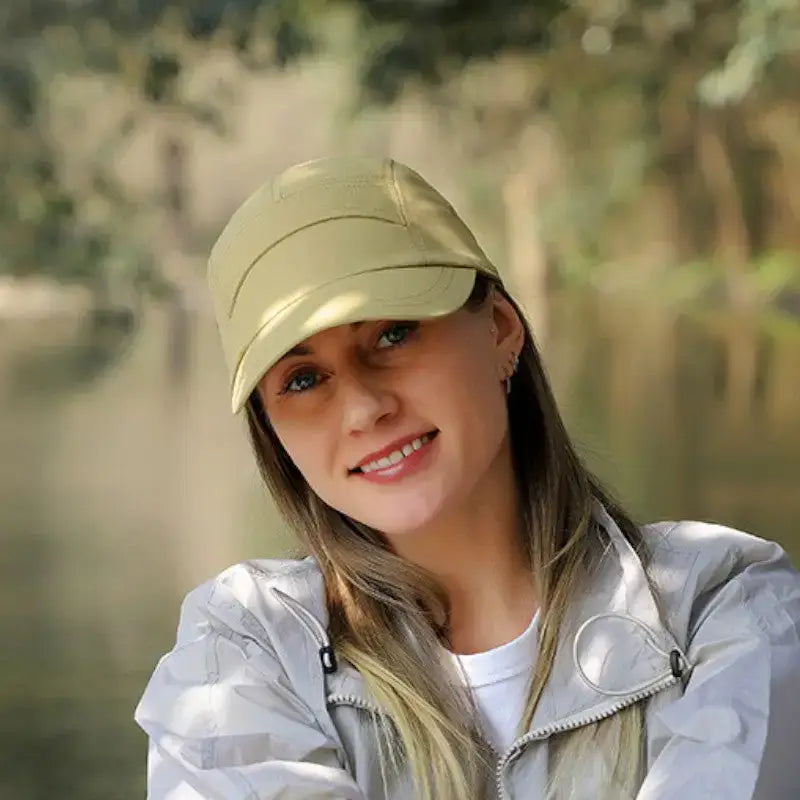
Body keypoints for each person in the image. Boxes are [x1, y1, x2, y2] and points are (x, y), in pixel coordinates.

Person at [134, 156, 800, 799]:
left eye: (393, 336)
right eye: (304, 380)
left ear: (501, 330)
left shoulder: (719, 606)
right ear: (272, 431)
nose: (365, 408)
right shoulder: (247, 649)